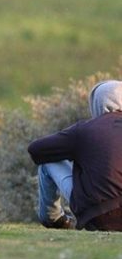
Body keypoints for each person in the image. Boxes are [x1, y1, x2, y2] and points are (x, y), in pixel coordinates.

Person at [28, 80, 122, 231]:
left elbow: (36, 149)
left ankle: (54, 219)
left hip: (99, 219)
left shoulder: (84, 130)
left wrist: (77, 154)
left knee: (48, 161)